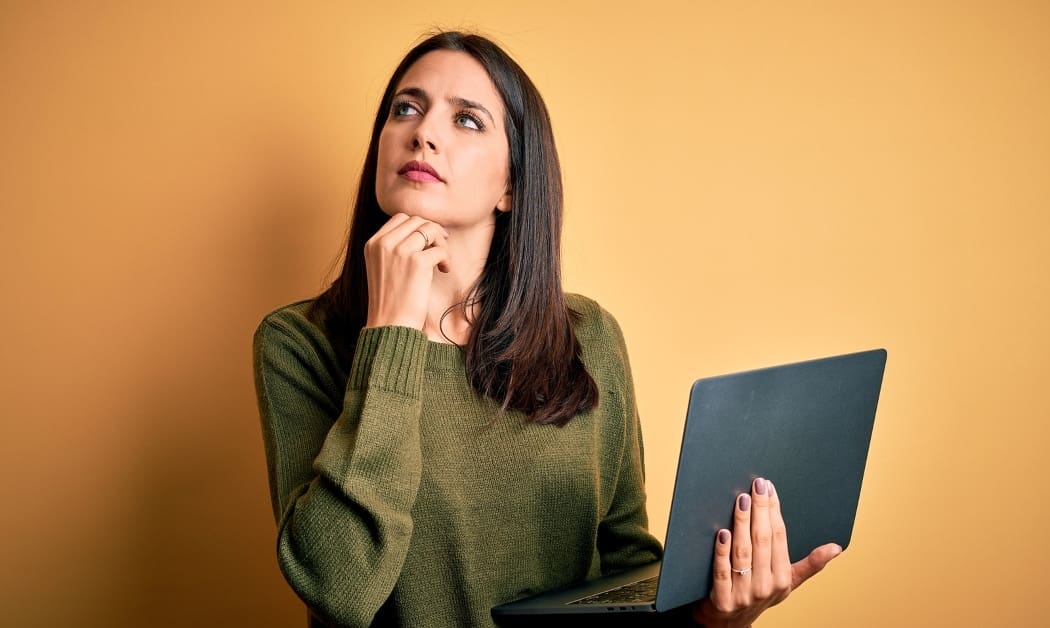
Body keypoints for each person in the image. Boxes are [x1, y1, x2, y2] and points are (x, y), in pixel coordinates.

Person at [252, 31, 841, 628]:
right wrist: (392, 333)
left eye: (467, 120)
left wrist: (715, 618)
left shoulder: (589, 338)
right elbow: (337, 586)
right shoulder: (300, 343)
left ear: (511, 185)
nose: (422, 132)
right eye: (406, 107)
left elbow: (626, 567)